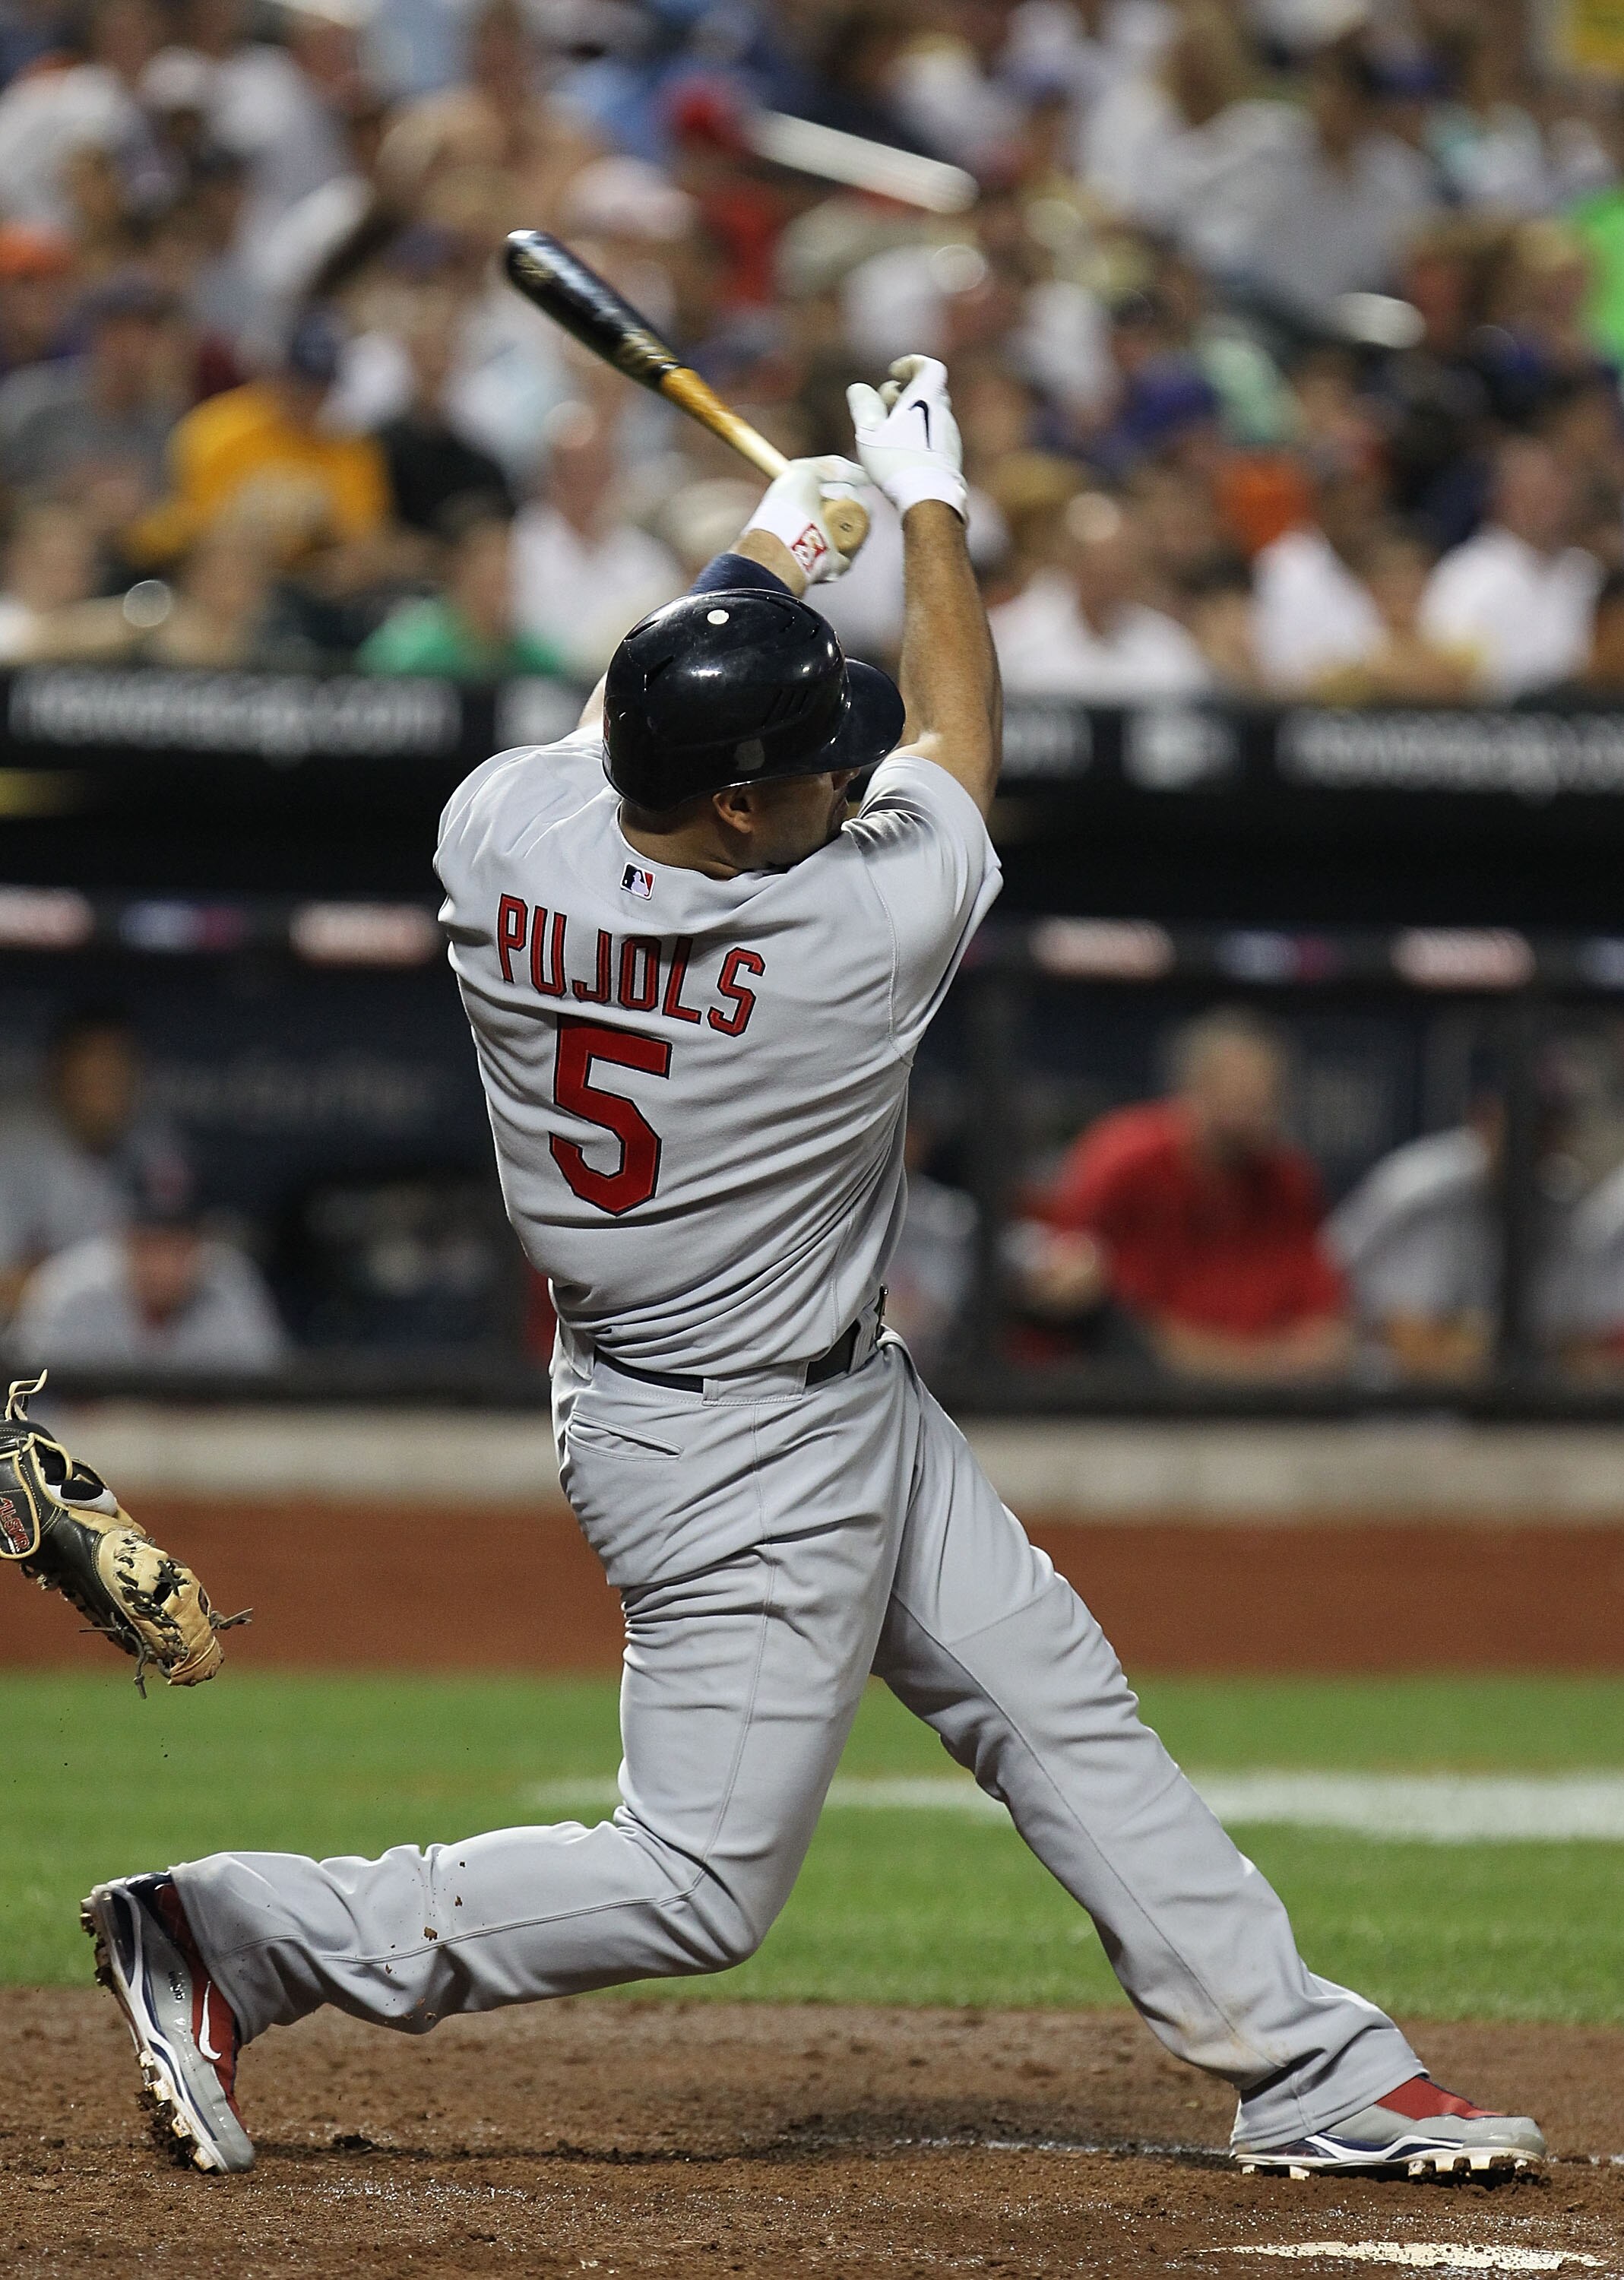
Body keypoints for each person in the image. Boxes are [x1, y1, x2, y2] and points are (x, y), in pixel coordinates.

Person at [82, 356, 1543, 2184]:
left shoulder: (499, 829)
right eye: (804, 768)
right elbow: (959, 736)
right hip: (731, 1447)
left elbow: (629, 703)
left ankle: (1308, 2062)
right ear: (731, 815)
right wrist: (927, 510)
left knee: (1054, 1702)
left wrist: (775, 547)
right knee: (698, 1879)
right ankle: (235, 1934)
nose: (840, 775)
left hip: (789, 1385)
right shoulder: (839, 944)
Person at [1030, 1009, 1351, 1382]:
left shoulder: (1285, 1178)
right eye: (1236, 1091)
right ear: (1190, 1088)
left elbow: (1328, 1334)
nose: (1251, 1112)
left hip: (1255, 1400)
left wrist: (1240, 1364)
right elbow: (1073, 1296)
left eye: (1265, 1098)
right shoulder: (1126, 1162)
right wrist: (1259, 1363)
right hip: (1125, 1398)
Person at [0, 1007, 187, 1319]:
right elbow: (5, 1287)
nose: (106, 1092)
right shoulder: (12, 1149)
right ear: (58, 1076)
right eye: (93, 1077)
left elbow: (181, 1274)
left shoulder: (155, 1148)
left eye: (118, 1075)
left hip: (119, 1337)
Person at [12, 1163, 286, 1375]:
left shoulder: (231, 1283)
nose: (163, 1265)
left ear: (201, 1243)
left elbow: (267, 1397)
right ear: (123, 1236)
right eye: (149, 1244)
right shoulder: (69, 1285)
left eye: (177, 1246)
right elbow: (28, 1402)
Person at [1419, 435, 1601, 697]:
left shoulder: (1586, 571)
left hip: (1586, 714)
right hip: (1498, 716)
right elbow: (1446, 670)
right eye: (1532, 492)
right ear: (1499, 497)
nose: (1548, 506)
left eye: (1554, 492)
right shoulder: (1466, 575)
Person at [988, 490, 1213, 700]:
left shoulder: (1166, 644)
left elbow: (1192, 705)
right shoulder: (1013, 636)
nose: (1113, 574)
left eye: (1125, 562)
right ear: (1071, 560)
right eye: (1101, 564)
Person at [359, 497, 563, 678]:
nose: (504, 568)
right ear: (457, 565)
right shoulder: (408, 652)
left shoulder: (536, 661)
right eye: (489, 556)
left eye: (509, 554)